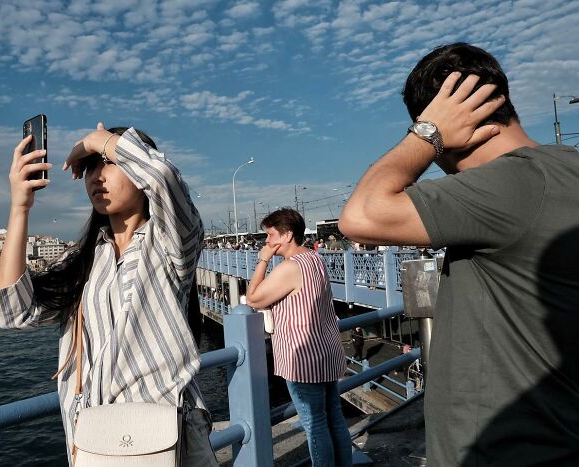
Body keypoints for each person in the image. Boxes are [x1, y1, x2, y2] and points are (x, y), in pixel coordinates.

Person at [339, 43, 579, 466]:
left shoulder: (510, 183)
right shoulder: (565, 168)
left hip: (503, 452)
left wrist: (426, 134)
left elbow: (360, 216)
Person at [0, 123, 217, 466]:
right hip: (95, 440)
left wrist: (98, 141)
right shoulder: (83, 259)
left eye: (108, 162)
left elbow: (163, 176)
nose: (96, 176)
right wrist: (19, 207)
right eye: (90, 166)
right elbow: (14, 311)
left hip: (166, 439)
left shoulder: (170, 243)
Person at [246, 208, 351, 467]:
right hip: (326, 347)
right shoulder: (314, 258)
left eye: (270, 235)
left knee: (315, 424)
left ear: (287, 234)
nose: (267, 242)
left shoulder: (291, 267)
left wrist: (262, 261)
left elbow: (253, 298)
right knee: (334, 417)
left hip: (302, 355)